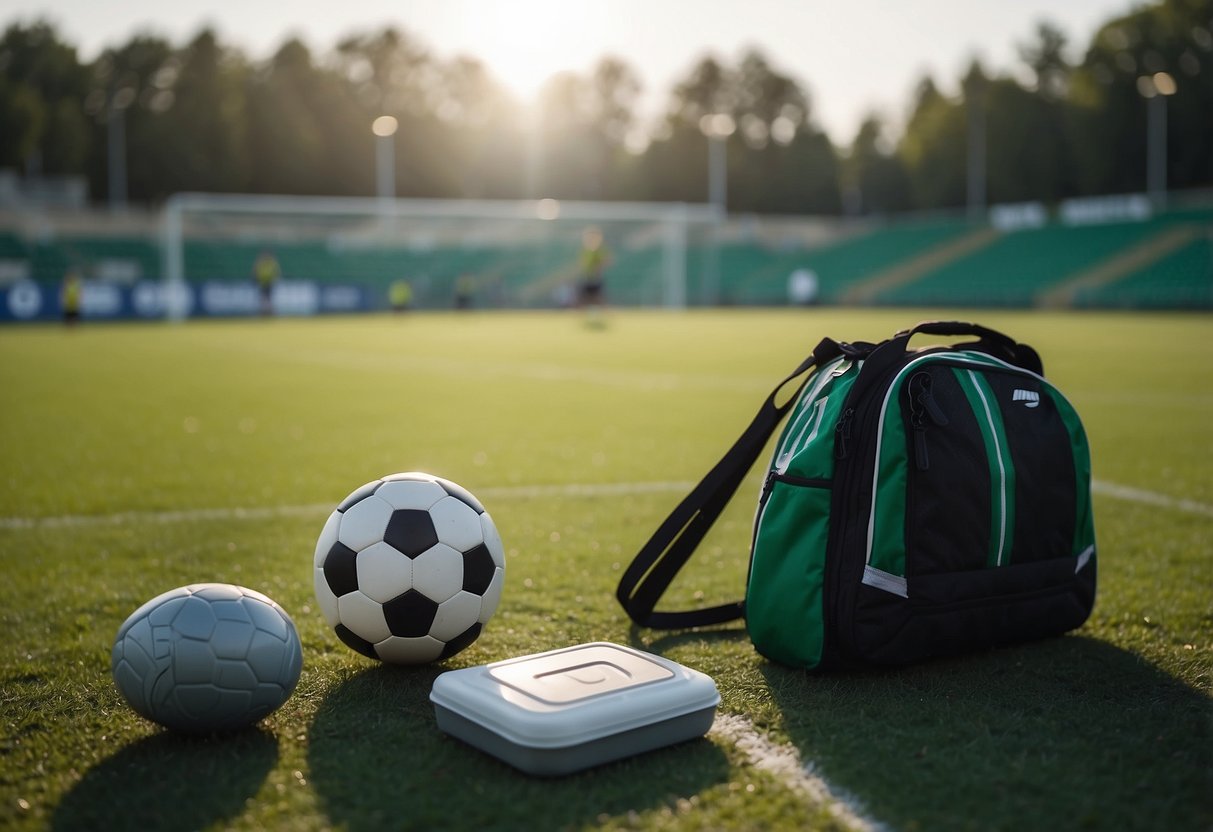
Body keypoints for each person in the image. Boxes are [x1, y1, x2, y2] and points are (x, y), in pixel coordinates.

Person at [576, 226, 612, 323]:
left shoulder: (599, 250)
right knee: (583, 298)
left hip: (596, 277)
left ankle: (606, 316)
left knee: (598, 298)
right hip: (587, 277)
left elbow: (607, 260)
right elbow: (583, 262)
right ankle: (583, 318)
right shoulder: (586, 250)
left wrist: (598, 267)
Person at [252, 250, 281, 316]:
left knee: (268, 298)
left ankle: (268, 312)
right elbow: (255, 271)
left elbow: (276, 272)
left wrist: (275, 279)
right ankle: (265, 312)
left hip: (269, 283)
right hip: (262, 283)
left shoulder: (272, 262)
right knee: (264, 298)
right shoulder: (260, 263)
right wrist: (255, 278)